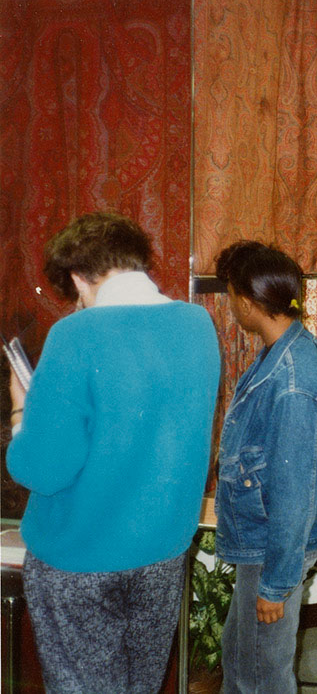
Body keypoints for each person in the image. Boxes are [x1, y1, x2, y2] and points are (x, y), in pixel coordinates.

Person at [6, 212, 221, 693]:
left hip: (79, 556)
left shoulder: (74, 335)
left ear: (78, 277)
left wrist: (22, 412)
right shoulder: (198, 325)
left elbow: (41, 470)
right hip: (162, 553)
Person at [213, 241, 317, 694]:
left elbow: (293, 493)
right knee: (242, 656)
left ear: (248, 303)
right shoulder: (283, 352)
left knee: (259, 674)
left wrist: (275, 584)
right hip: (266, 541)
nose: (231, 305)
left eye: (232, 295)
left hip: (273, 547)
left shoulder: (293, 378)